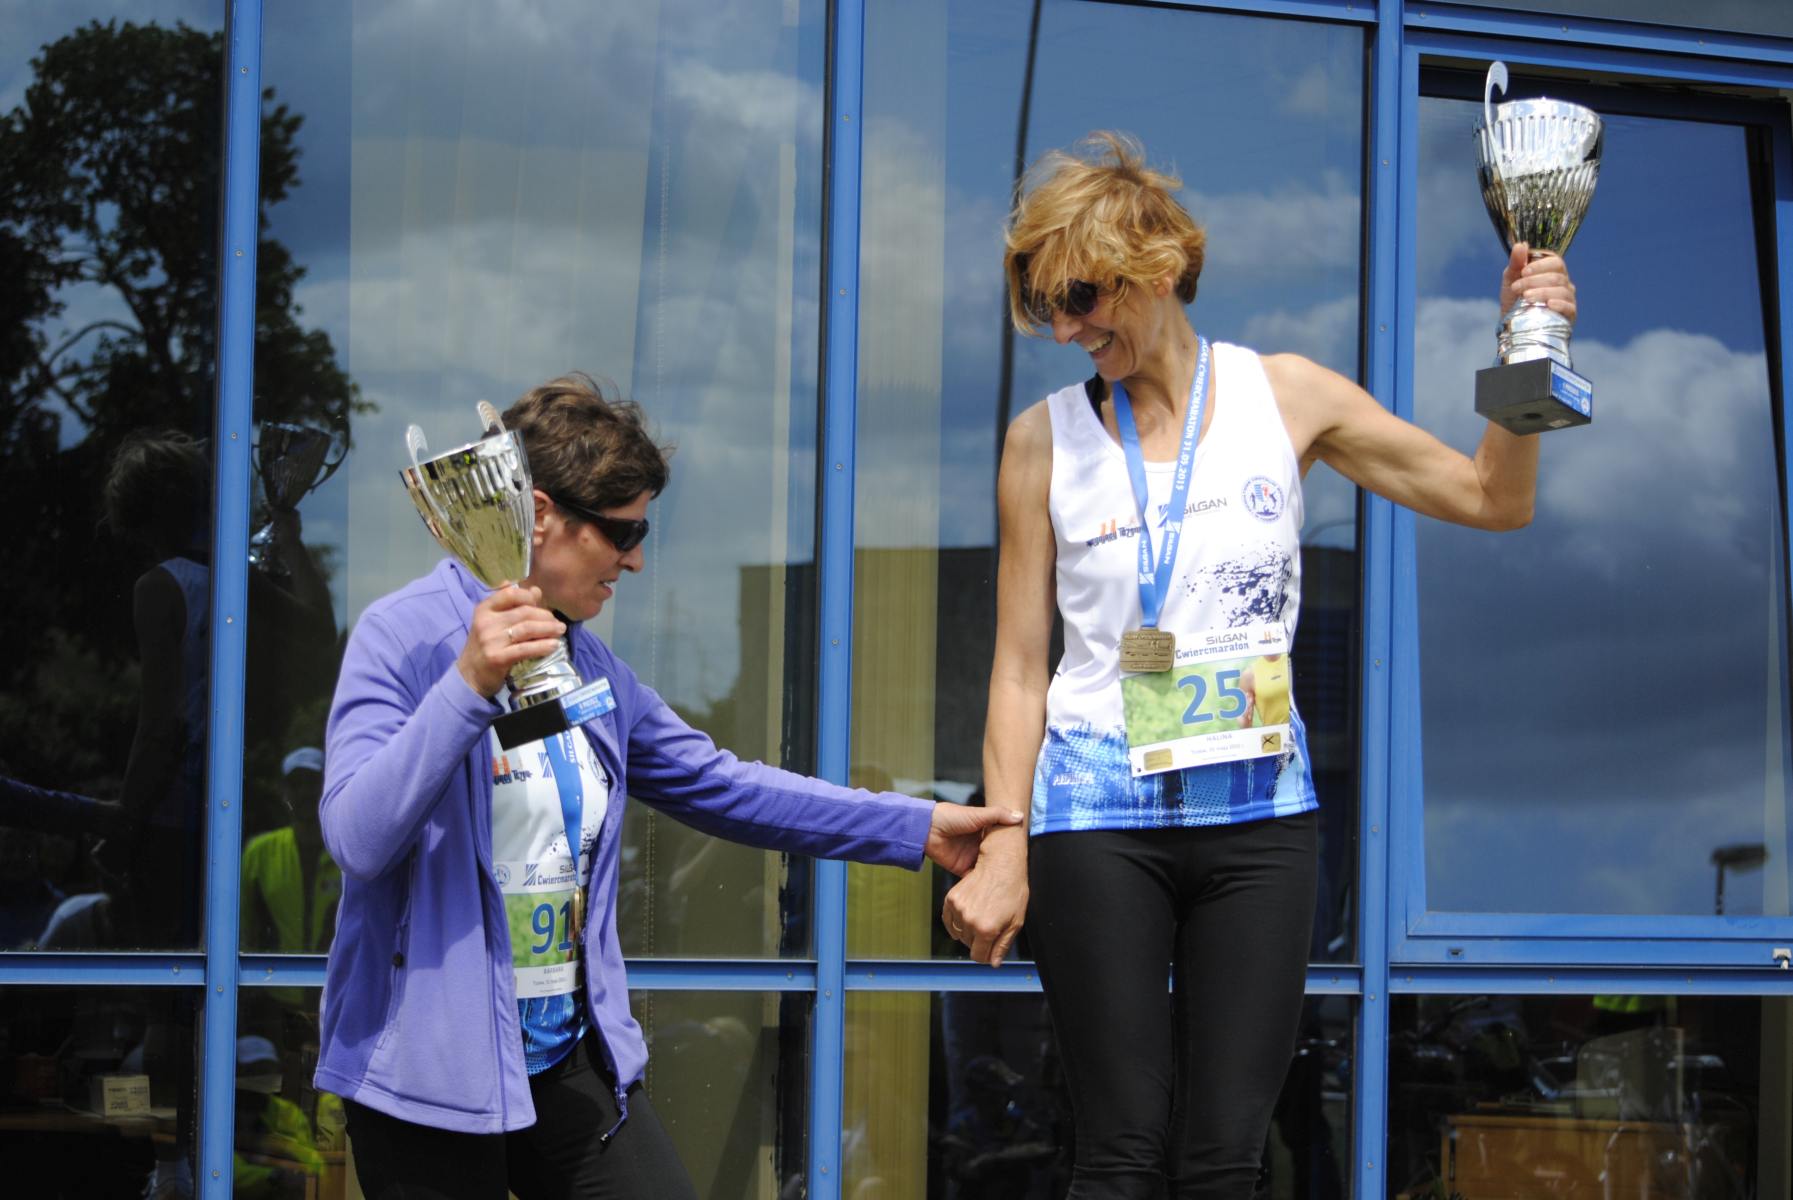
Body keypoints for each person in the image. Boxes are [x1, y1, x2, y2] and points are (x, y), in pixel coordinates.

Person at [941, 132, 1576, 1197]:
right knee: (1118, 1150)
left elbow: (1492, 498)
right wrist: (1004, 847)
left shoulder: (1285, 396)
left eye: (1081, 297)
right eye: (1044, 307)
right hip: (1096, 818)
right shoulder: (1039, 441)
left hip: (1258, 823)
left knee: (1225, 1159)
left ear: (1154, 265)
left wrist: (1529, 346)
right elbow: (1016, 670)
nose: (1064, 329)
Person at [314, 373, 1020, 1199]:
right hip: (427, 1077)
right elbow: (357, 839)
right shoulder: (401, 636)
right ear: (538, 514)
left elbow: (723, 783)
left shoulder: (588, 667)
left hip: (566, 1058)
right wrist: (469, 685)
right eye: (624, 531)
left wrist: (916, 825)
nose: (637, 559)